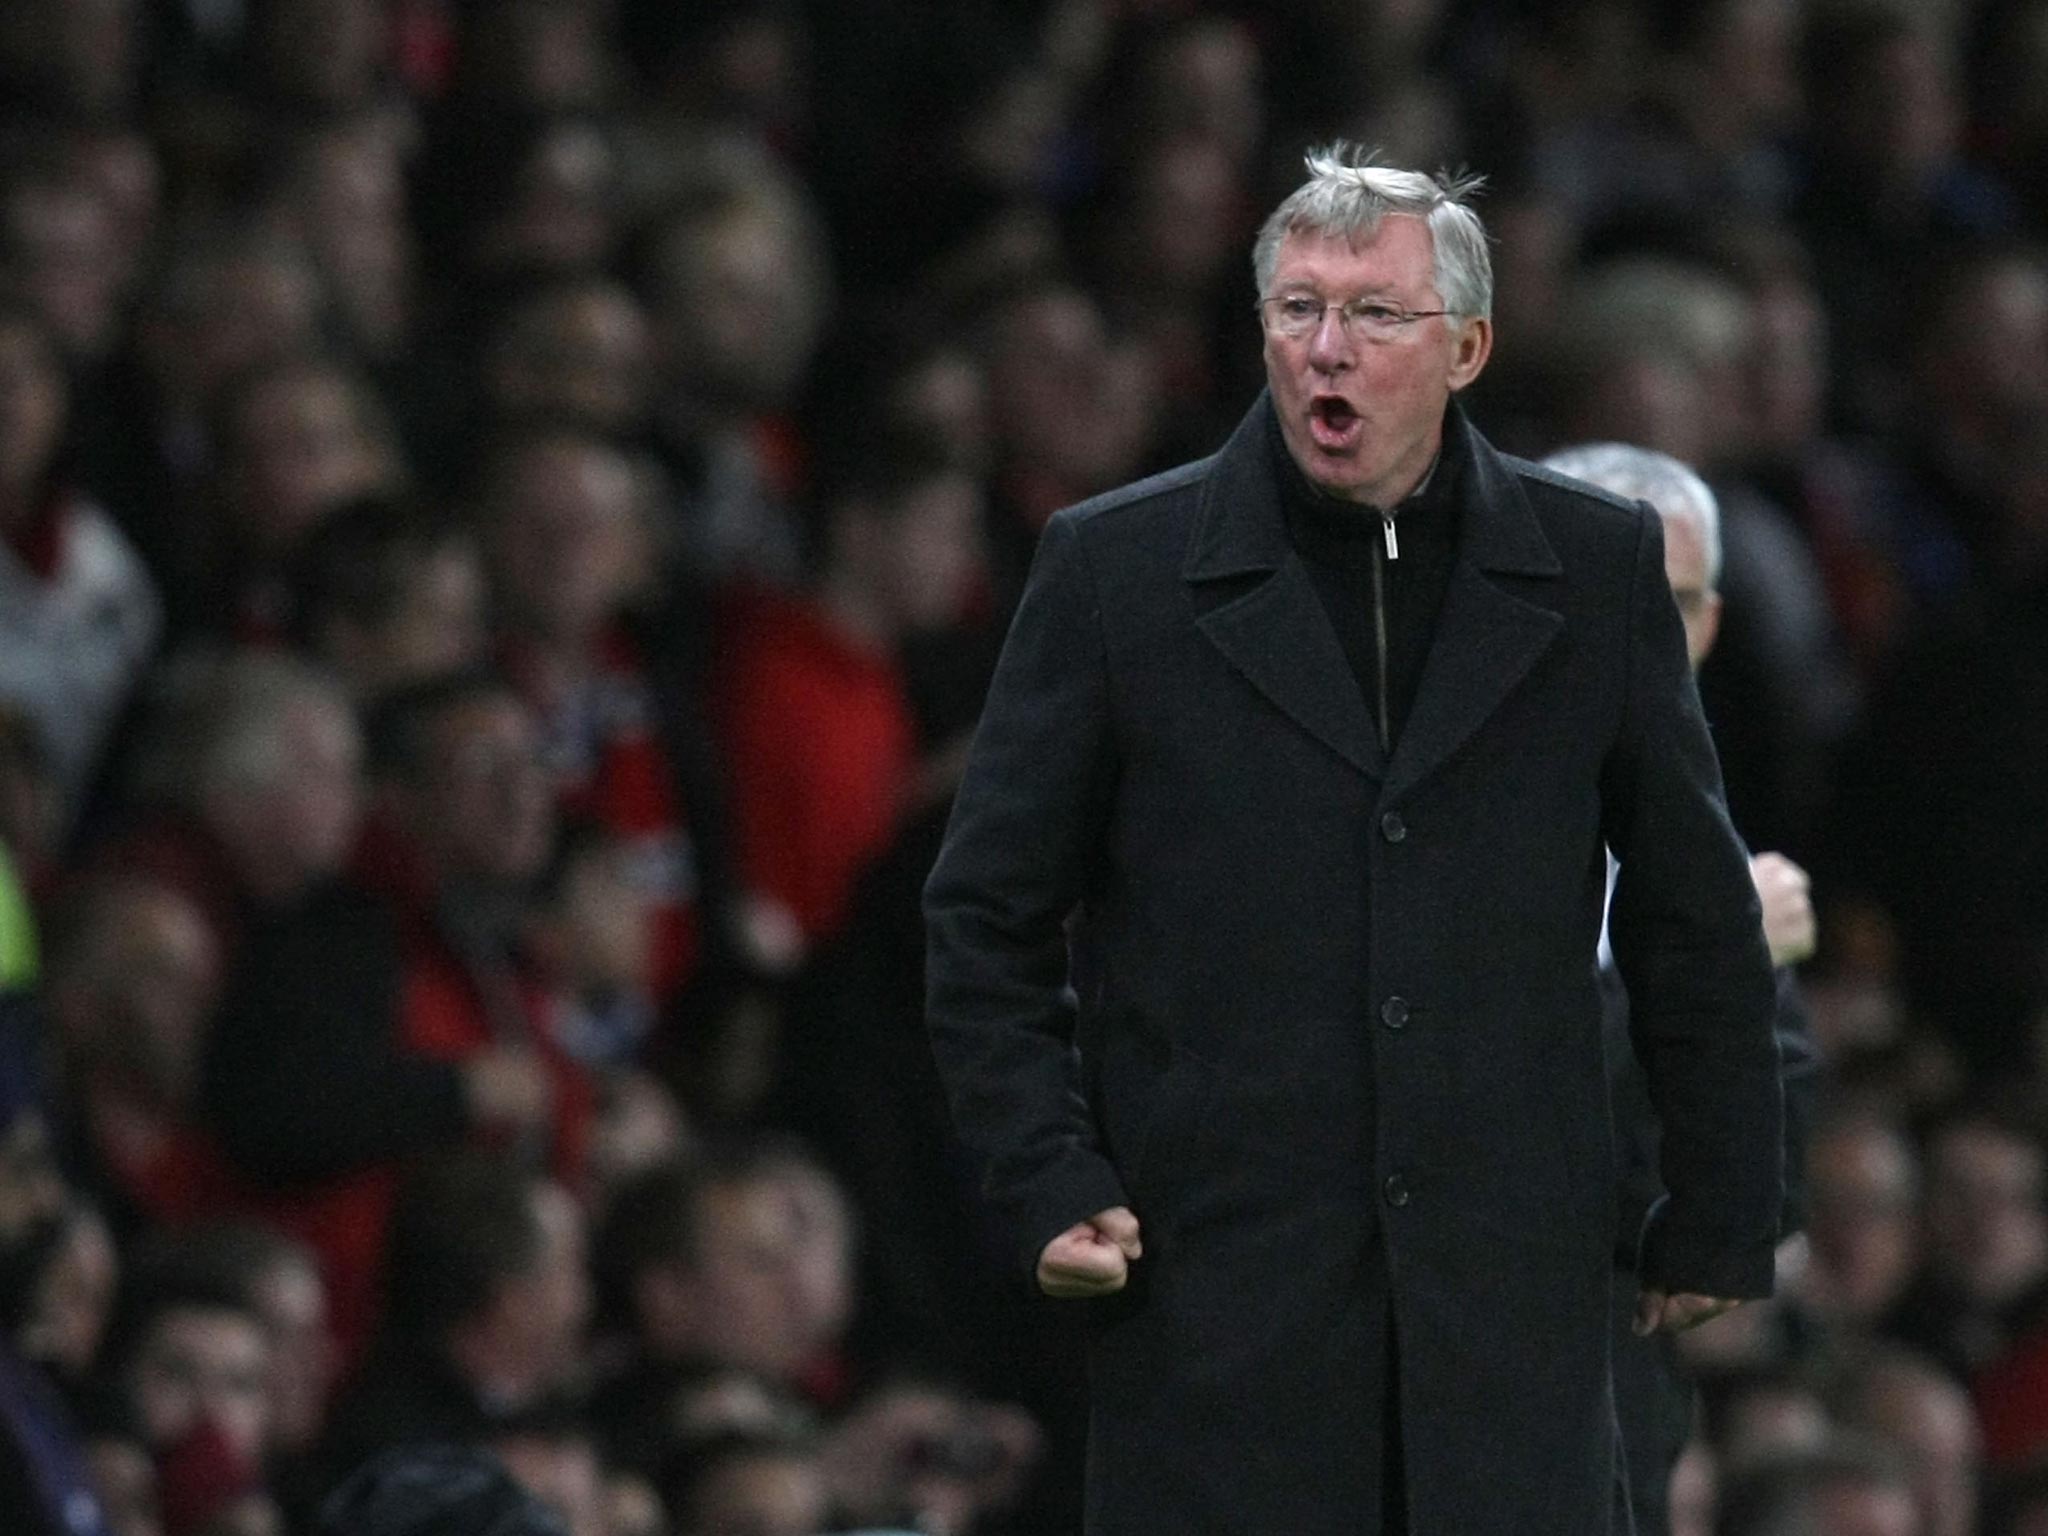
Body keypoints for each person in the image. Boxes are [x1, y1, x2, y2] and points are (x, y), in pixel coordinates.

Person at [922, 145, 1782, 1535]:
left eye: (1376, 315)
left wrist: (1725, 1197)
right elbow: (985, 917)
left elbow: (1693, 909)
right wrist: (1045, 1173)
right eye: (1298, 310)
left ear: (1468, 346)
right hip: (1221, 1312)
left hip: (1512, 1317)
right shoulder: (1116, 574)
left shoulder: (1600, 569)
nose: (1329, 348)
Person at [1537, 442, 1821, 1536]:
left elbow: (1760, 1178)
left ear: (1702, 629)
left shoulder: (1706, 851)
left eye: (1665, 604)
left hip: (1608, 1410)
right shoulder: (1393, 819)